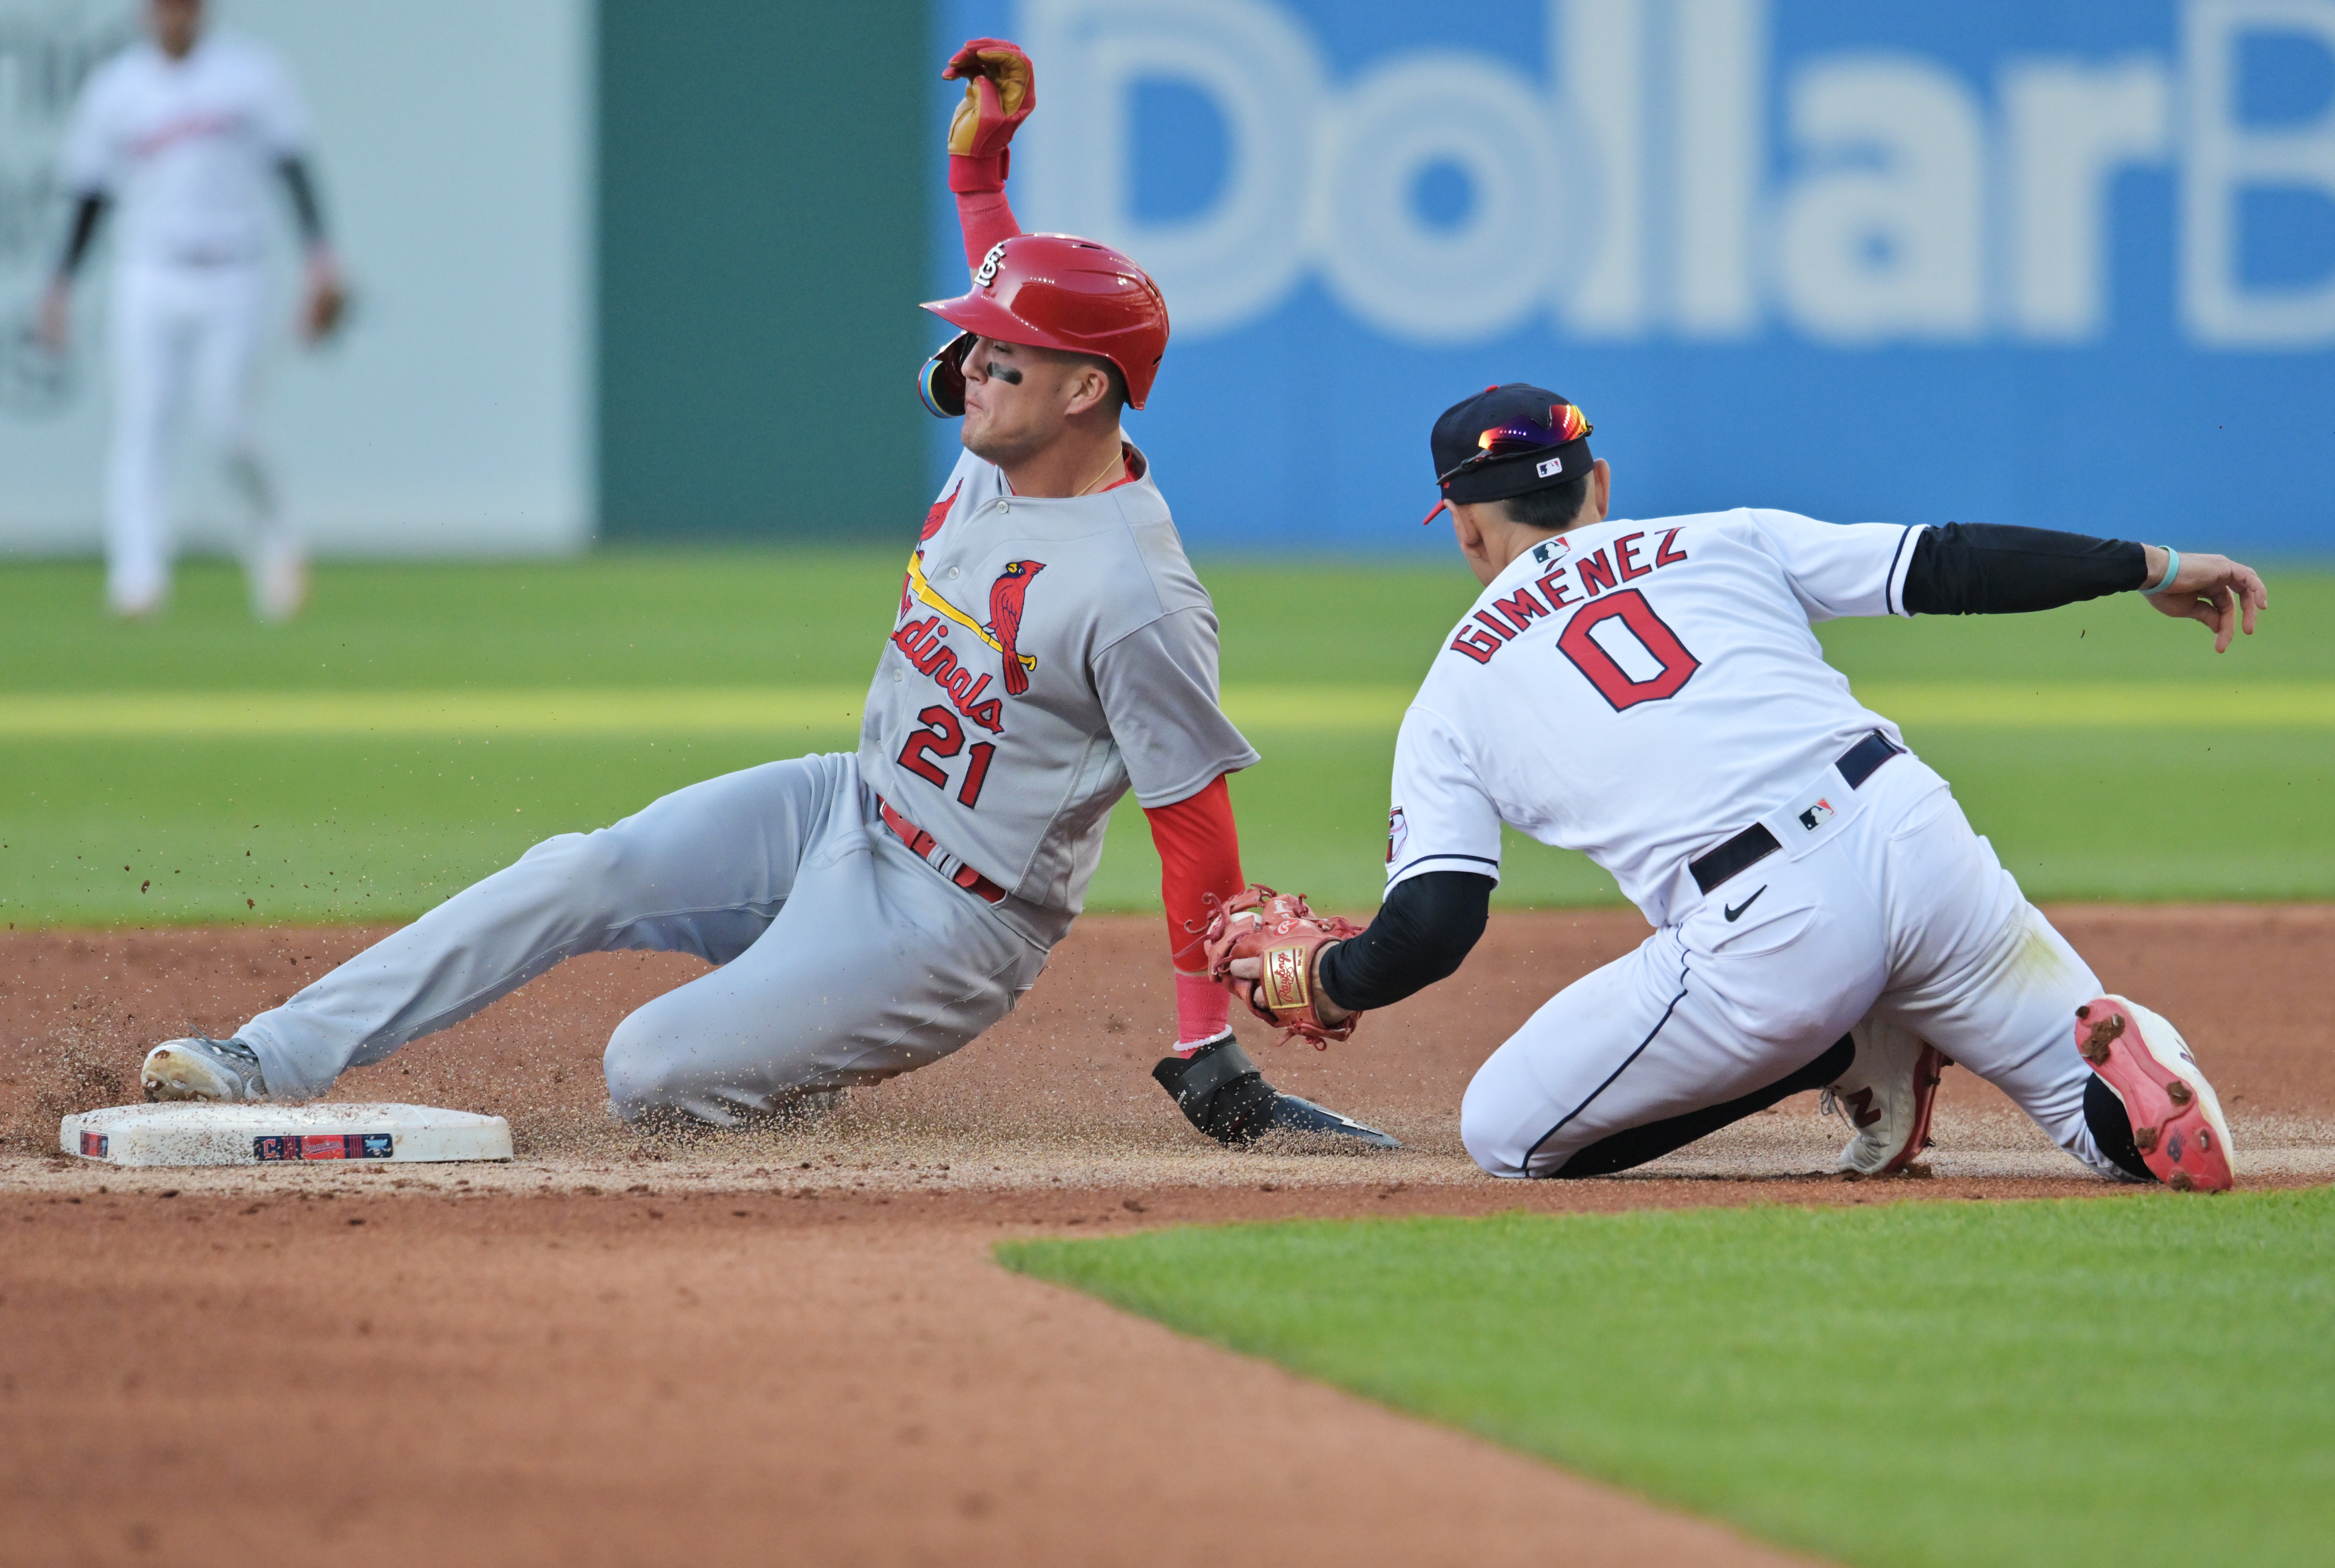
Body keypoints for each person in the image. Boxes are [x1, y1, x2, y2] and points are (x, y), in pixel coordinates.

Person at [135, 38, 1394, 1154]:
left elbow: (1191, 824)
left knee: (649, 1073)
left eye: (1001, 356)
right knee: (584, 867)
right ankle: (270, 1054)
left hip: (952, 924)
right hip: (840, 804)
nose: (969, 368)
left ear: (1083, 396)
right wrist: (979, 176)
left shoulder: (1134, 594)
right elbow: (1014, 299)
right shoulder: (1006, 435)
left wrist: (1203, 1042)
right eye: (974, 343)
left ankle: (793, 1053)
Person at [1226, 383, 2263, 1189]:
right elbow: (1946, 563)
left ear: (1460, 527)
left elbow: (1434, 924)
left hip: (1771, 934)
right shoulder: (1720, 537)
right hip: (1913, 831)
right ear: (1599, 486)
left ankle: (1846, 1042)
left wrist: (1329, 977)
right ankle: (2121, 1051)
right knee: (2101, 1131)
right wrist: (2149, 564)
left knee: (1505, 1132)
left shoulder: (1453, 688)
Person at [35, 0, 348, 622]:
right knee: (143, 423)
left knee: (229, 426)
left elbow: (293, 166)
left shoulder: (251, 76)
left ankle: (276, 539)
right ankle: (138, 575)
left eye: (185, 5)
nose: (174, 15)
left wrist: (320, 258)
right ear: (144, 13)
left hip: (235, 268)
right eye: (163, 6)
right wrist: (61, 283)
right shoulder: (117, 89)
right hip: (149, 271)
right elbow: (91, 192)